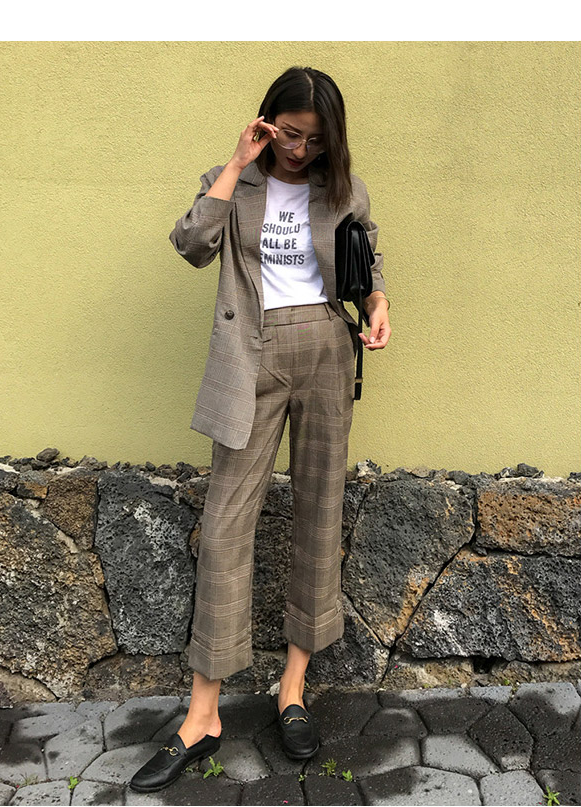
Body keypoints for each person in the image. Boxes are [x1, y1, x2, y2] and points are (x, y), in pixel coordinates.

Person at [130, 65, 391, 793]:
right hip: (250, 354)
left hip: (325, 351)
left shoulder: (344, 189)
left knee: (319, 512)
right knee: (224, 524)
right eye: (289, 134)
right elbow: (191, 243)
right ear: (266, 121)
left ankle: (292, 687)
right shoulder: (235, 181)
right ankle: (203, 714)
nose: (300, 150)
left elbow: (369, 261)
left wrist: (377, 305)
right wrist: (238, 160)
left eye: (316, 140)